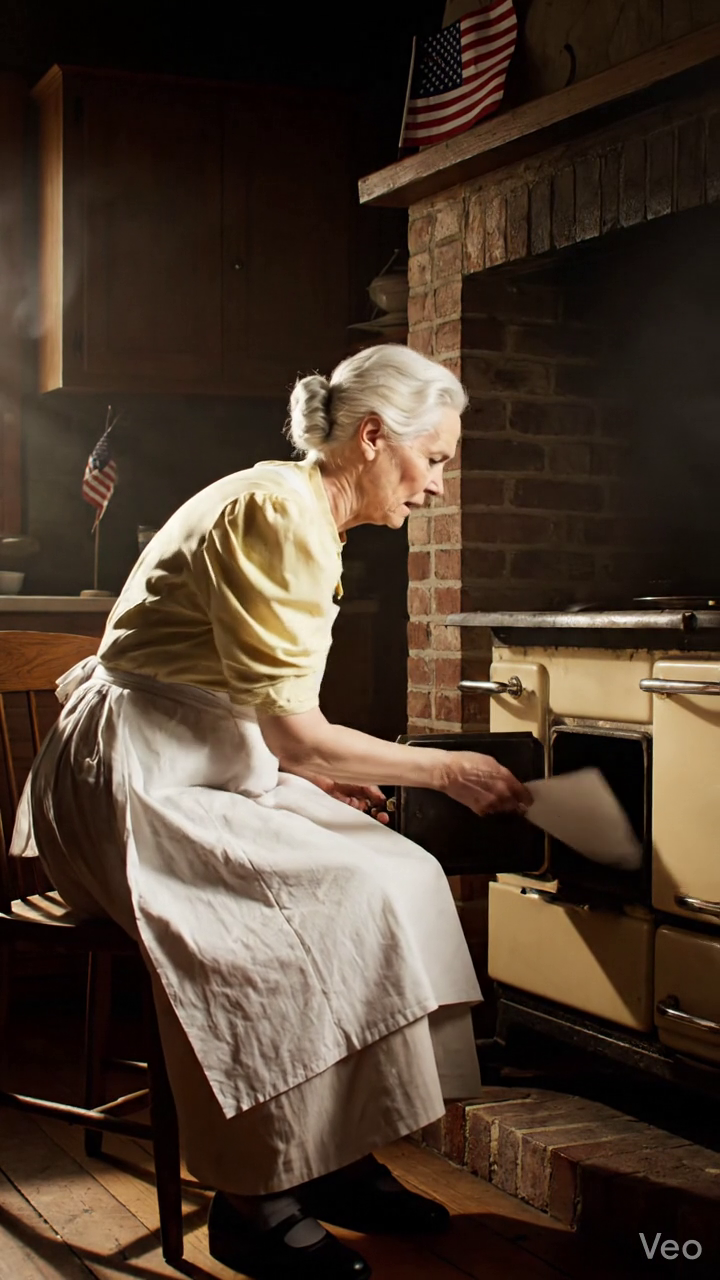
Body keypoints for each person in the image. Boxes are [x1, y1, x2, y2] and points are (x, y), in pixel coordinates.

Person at [11, 344, 531, 1280]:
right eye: (437, 459)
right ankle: (253, 1202)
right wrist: (446, 770)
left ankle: (329, 1154)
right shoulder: (278, 515)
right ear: (373, 437)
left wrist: (314, 772)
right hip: (133, 781)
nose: (440, 486)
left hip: (202, 757)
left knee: (398, 873)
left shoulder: (299, 509)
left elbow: (264, 717)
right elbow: (299, 738)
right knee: (291, 910)